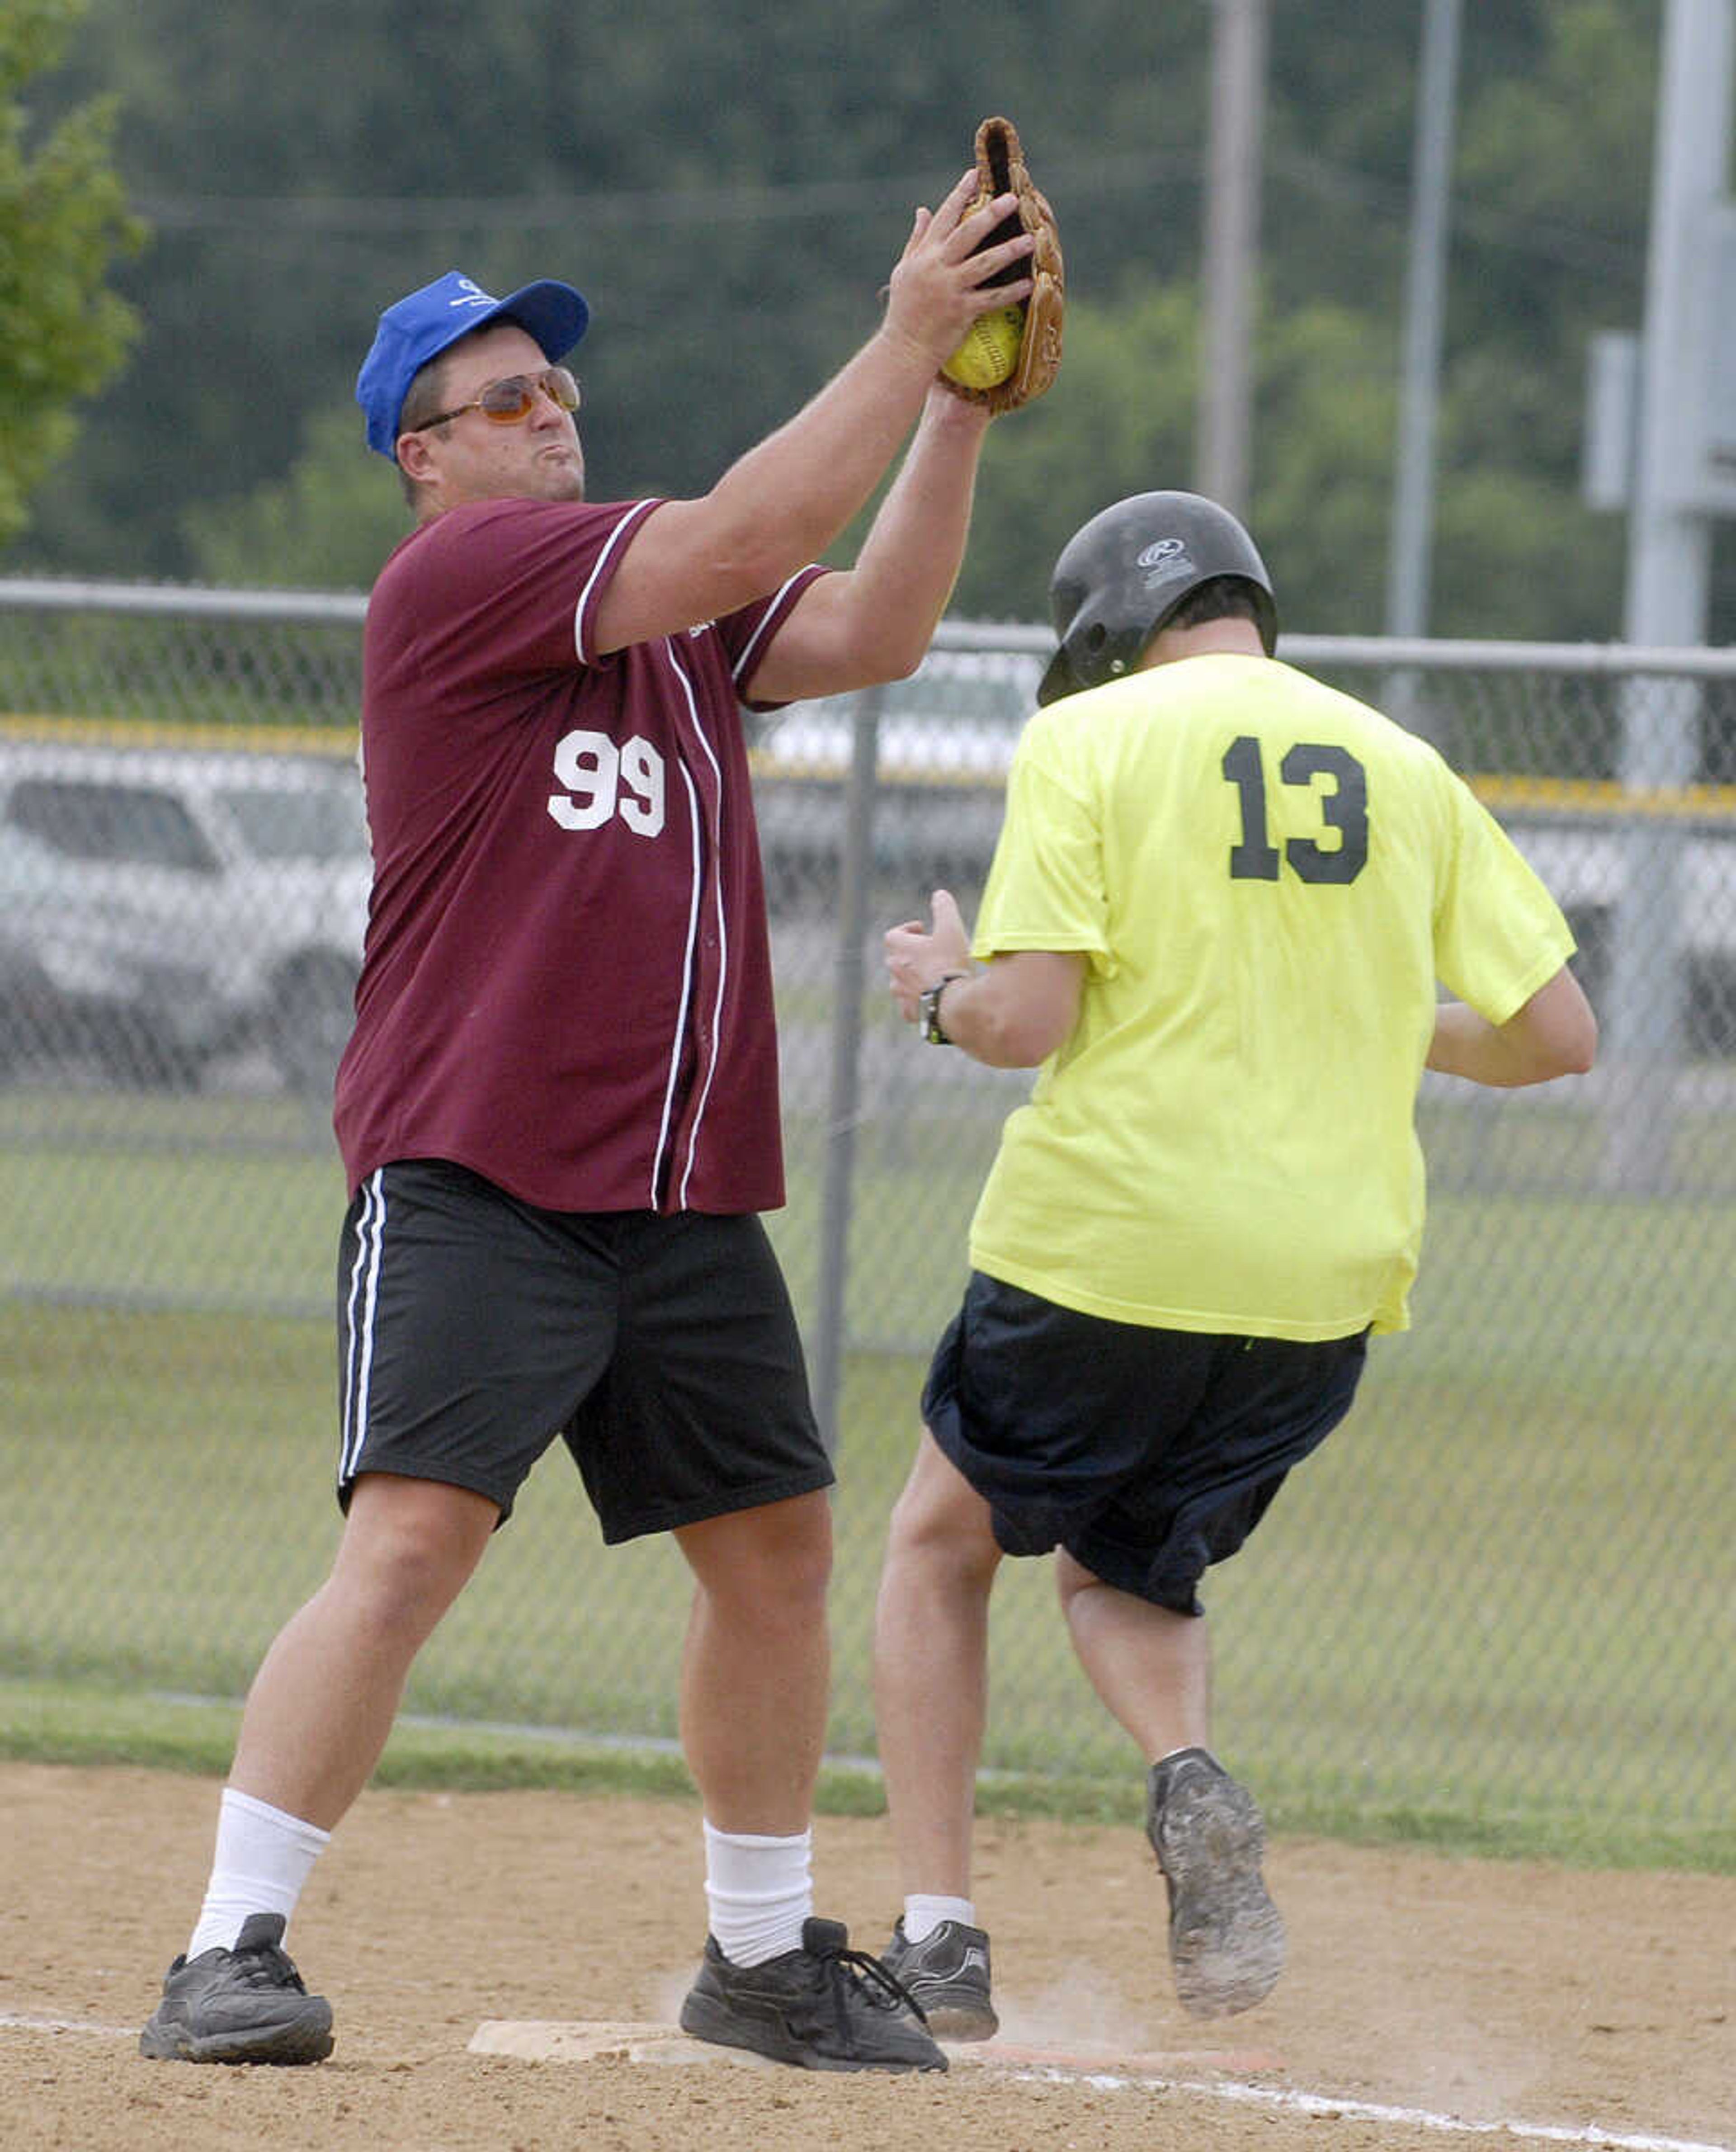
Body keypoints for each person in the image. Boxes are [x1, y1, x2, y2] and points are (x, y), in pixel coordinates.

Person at [139, 170, 1046, 2077]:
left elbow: (874, 617)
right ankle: (227, 1944)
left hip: (679, 1186)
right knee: (409, 1546)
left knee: (778, 1553)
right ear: (422, 461)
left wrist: (956, 404)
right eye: (500, 398)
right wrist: (899, 332)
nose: (548, 408)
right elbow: (753, 524)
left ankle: (758, 1957)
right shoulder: (463, 584)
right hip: (478, 1165)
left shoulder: (672, 626)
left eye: (555, 387)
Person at [873, 490, 1598, 2039]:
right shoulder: (1402, 766)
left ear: (1114, 638)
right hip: (1323, 1284)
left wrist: (940, 992)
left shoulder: (1094, 741)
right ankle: (1185, 1781)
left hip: (1112, 1242)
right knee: (1128, 1564)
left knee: (940, 1549)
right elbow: (1559, 1037)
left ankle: (939, 1937)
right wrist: (1402, 1026)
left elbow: (1030, 1021)